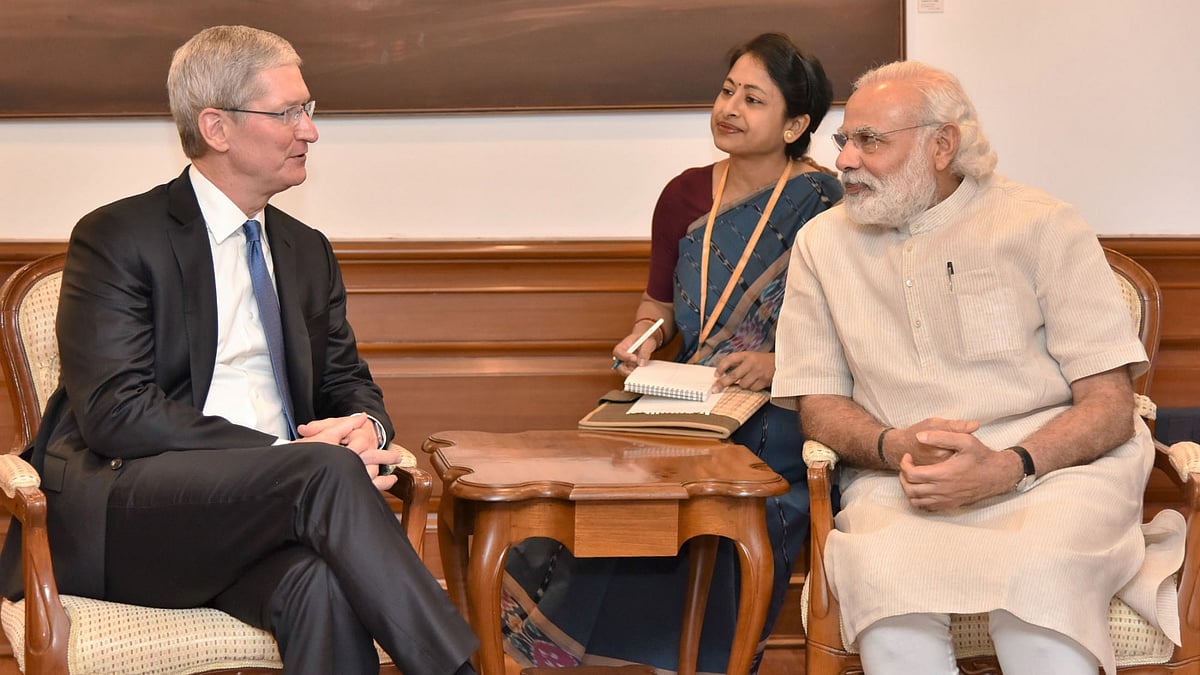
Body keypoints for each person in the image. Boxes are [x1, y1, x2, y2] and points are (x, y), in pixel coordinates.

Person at [0, 25, 478, 675]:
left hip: (273, 519)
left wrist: (367, 427)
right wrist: (291, 458)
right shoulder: (116, 237)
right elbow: (116, 413)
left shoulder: (306, 252)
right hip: (139, 518)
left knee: (322, 584)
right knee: (323, 474)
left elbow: (349, 381)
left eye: (308, 110)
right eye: (288, 113)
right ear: (216, 127)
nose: (309, 130)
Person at [773, 60, 1184, 675]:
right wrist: (892, 445)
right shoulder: (821, 243)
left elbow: (1108, 405)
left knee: (1040, 592)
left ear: (943, 145)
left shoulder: (1043, 224)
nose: (845, 161)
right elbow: (820, 402)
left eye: (871, 141)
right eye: (845, 140)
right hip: (903, 480)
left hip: (1056, 476)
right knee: (888, 603)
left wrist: (1008, 467)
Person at [501, 33, 842, 673]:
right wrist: (645, 340)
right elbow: (657, 305)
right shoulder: (684, 194)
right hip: (683, 397)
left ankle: (690, 661)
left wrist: (780, 362)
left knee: (726, 503)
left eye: (753, 99)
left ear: (796, 123)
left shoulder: (829, 205)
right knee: (604, 488)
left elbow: (855, 330)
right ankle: (561, 652)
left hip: (778, 410)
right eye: (726, 91)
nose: (729, 108)